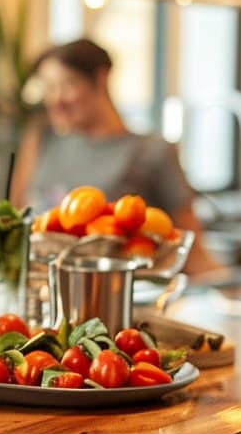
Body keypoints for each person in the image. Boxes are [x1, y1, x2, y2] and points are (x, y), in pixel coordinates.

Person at [11, 38, 218, 274]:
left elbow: (193, 250)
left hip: (121, 299)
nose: (56, 100)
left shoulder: (153, 151)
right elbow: (19, 222)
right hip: (42, 295)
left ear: (101, 79)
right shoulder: (41, 139)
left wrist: (230, 291)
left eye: (67, 85)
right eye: (48, 88)